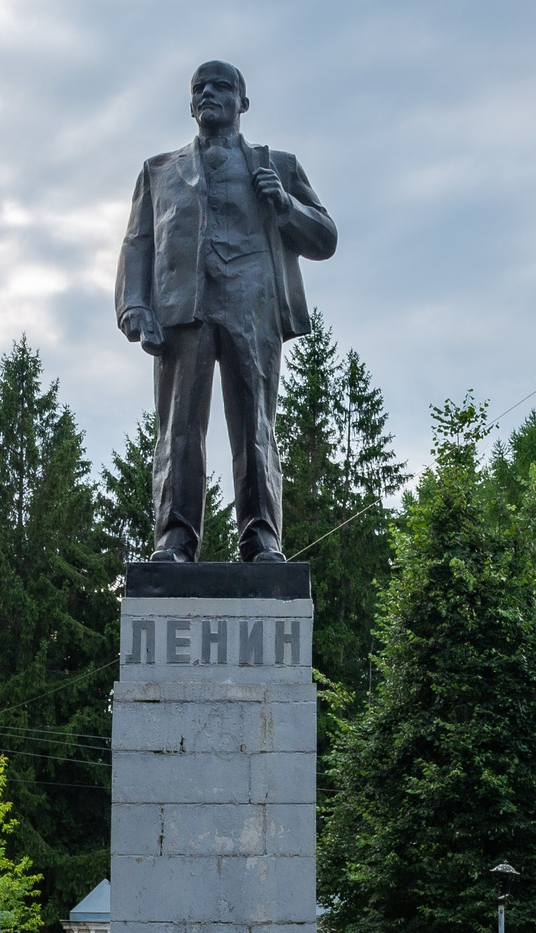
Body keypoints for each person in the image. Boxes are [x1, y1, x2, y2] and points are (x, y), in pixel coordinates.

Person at [115, 60, 336, 562]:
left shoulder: (277, 166)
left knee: (255, 425)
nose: (208, 93)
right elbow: (137, 242)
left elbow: (325, 239)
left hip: (251, 308)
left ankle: (261, 539)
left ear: (243, 102)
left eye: (221, 86)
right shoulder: (159, 171)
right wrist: (133, 304)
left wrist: (286, 207)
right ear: (191, 104)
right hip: (181, 311)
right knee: (178, 429)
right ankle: (174, 540)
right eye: (199, 88)